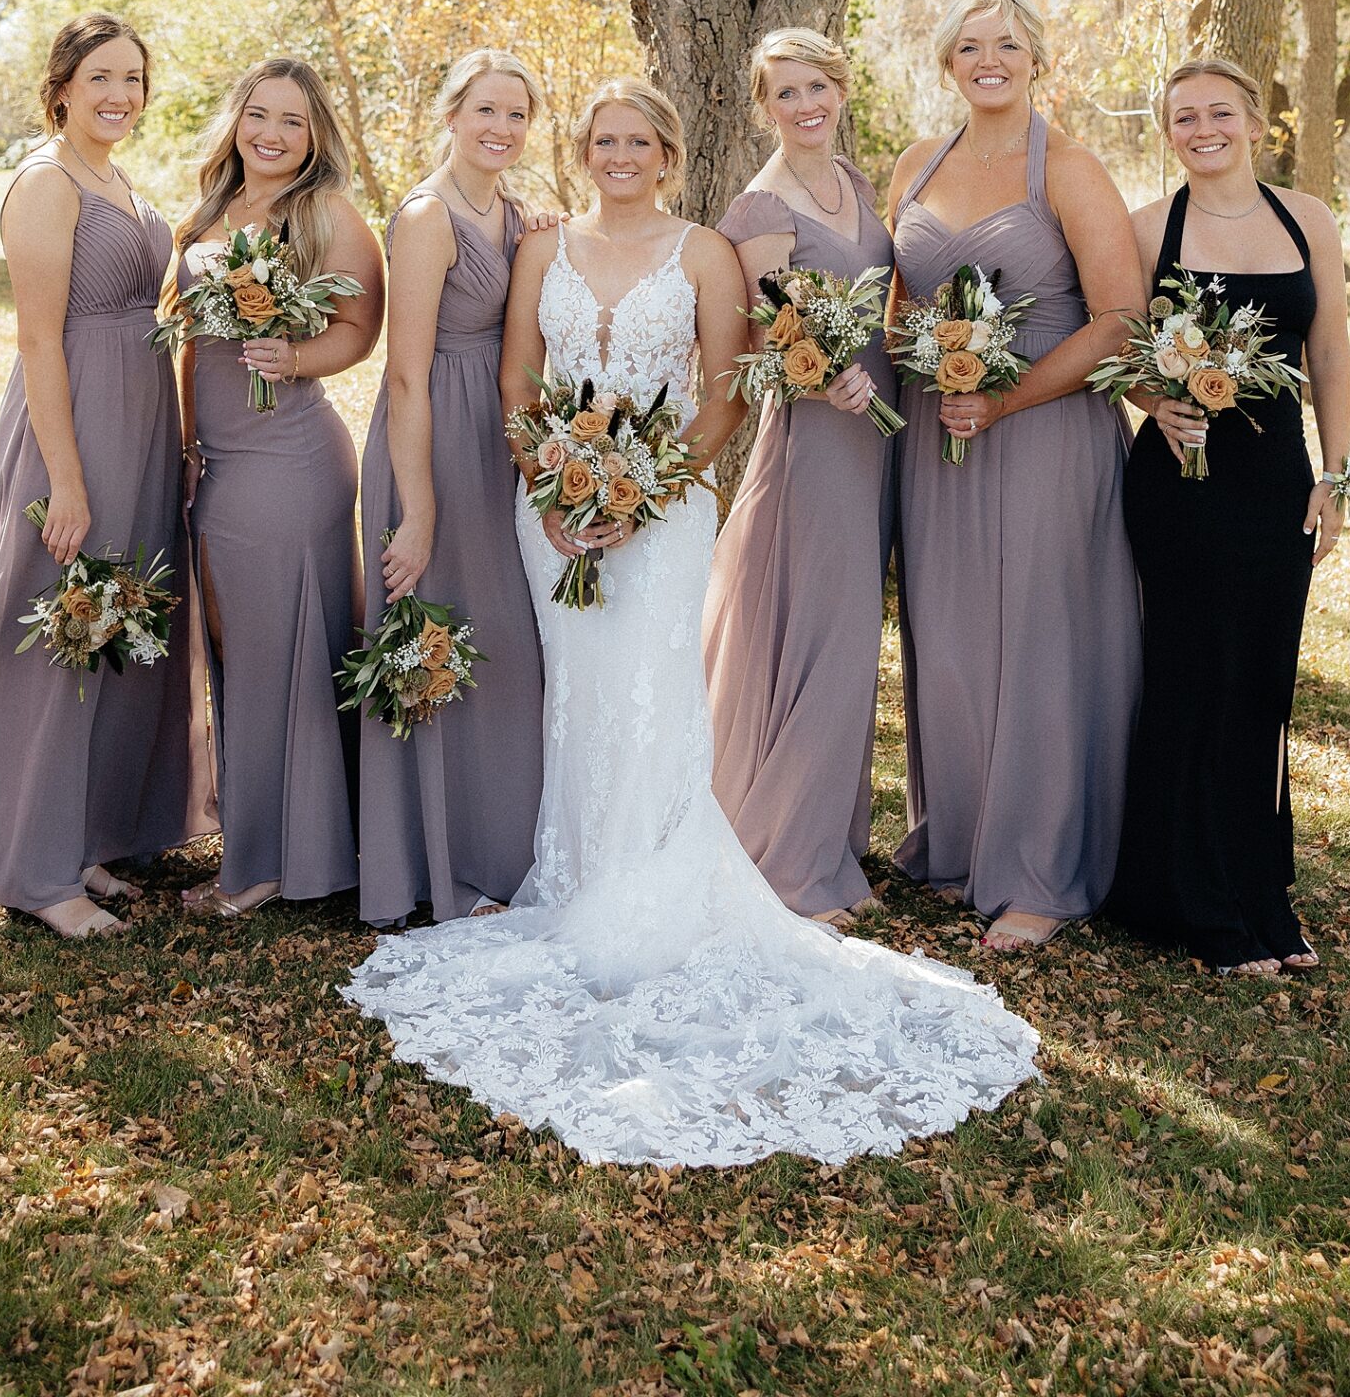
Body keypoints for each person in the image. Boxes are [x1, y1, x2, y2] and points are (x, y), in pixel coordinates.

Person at [344, 77, 1038, 1169]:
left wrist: (644, 487)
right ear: (582, 151)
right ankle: (573, 875)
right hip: (550, 509)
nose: (620, 154)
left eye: (639, 139)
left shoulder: (707, 251)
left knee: (654, 688)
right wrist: (556, 474)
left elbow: (725, 393)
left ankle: (656, 883)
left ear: (667, 150)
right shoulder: (541, 247)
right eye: (602, 138)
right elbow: (521, 370)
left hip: (665, 512)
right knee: (572, 692)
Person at [0, 12, 215, 938]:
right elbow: (38, 340)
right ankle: (34, 870)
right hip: (71, 430)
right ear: (62, 83)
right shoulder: (44, 182)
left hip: (140, 425)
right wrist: (65, 483)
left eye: (134, 80)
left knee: (120, 631)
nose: (119, 95)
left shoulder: (114, 176)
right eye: (102, 77)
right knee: (60, 636)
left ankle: (85, 839)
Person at [888, 0, 1142, 951]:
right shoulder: (917, 162)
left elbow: (1120, 319)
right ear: (948, 61)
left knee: (1039, 641)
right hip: (937, 432)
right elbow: (900, 305)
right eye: (968, 44)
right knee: (951, 637)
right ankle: (963, 840)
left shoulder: (1069, 169)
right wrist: (932, 364)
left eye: (1005, 43)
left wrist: (1003, 394)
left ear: (1037, 57)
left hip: (1044, 435)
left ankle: (1041, 869)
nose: (987, 59)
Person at [1104, 57, 1350, 976]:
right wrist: (1149, 400)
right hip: (1180, 483)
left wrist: (1338, 473)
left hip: (1276, 482)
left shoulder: (1307, 220)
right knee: (1189, 675)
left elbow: (1327, 351)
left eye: (1218, 112)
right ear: (1166, 132)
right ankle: (1186, 901)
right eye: (1182, 117)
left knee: (1260, 683)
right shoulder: (1143, 229)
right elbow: (1117, 348)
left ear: (1255, 121)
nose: (1201, 128)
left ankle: (1258, 890)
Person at [172, 57, 383, 919]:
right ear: (236, 121)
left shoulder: (328, 214)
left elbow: (361, 328)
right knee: (237, 647)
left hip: (290, 458)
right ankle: (283, 839)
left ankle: (267, 864)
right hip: (216, 459)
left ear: (314, 134)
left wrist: (292, 356)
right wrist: (183, 442)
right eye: (259, 115)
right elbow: (189, 339)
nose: (271, 134)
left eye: (291, 121)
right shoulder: (211, 211)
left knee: (276, 655)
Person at [704, 28, 897, 927]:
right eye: (784, 93)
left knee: (853, 632)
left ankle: (829, 826)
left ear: (840, 88)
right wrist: (830, 376)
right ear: (762, 107)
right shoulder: (759, 210)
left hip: (880, 428)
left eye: (816, 85)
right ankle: (787, 856)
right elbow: (771, 342)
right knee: (822, 628)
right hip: (817, 441)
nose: (804, 104)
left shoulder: (855, 181)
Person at [358, 48, 548, 925]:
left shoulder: (516, 214)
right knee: (441, 647)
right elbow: (404, 376)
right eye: (485, 110)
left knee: (506, 653)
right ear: (450, 113)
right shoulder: (427, 218)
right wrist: (418, 511)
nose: (500, 128)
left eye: (516, 114)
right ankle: (435, 871)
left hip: (494, 440)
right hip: (428, 439)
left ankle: (501, 854)